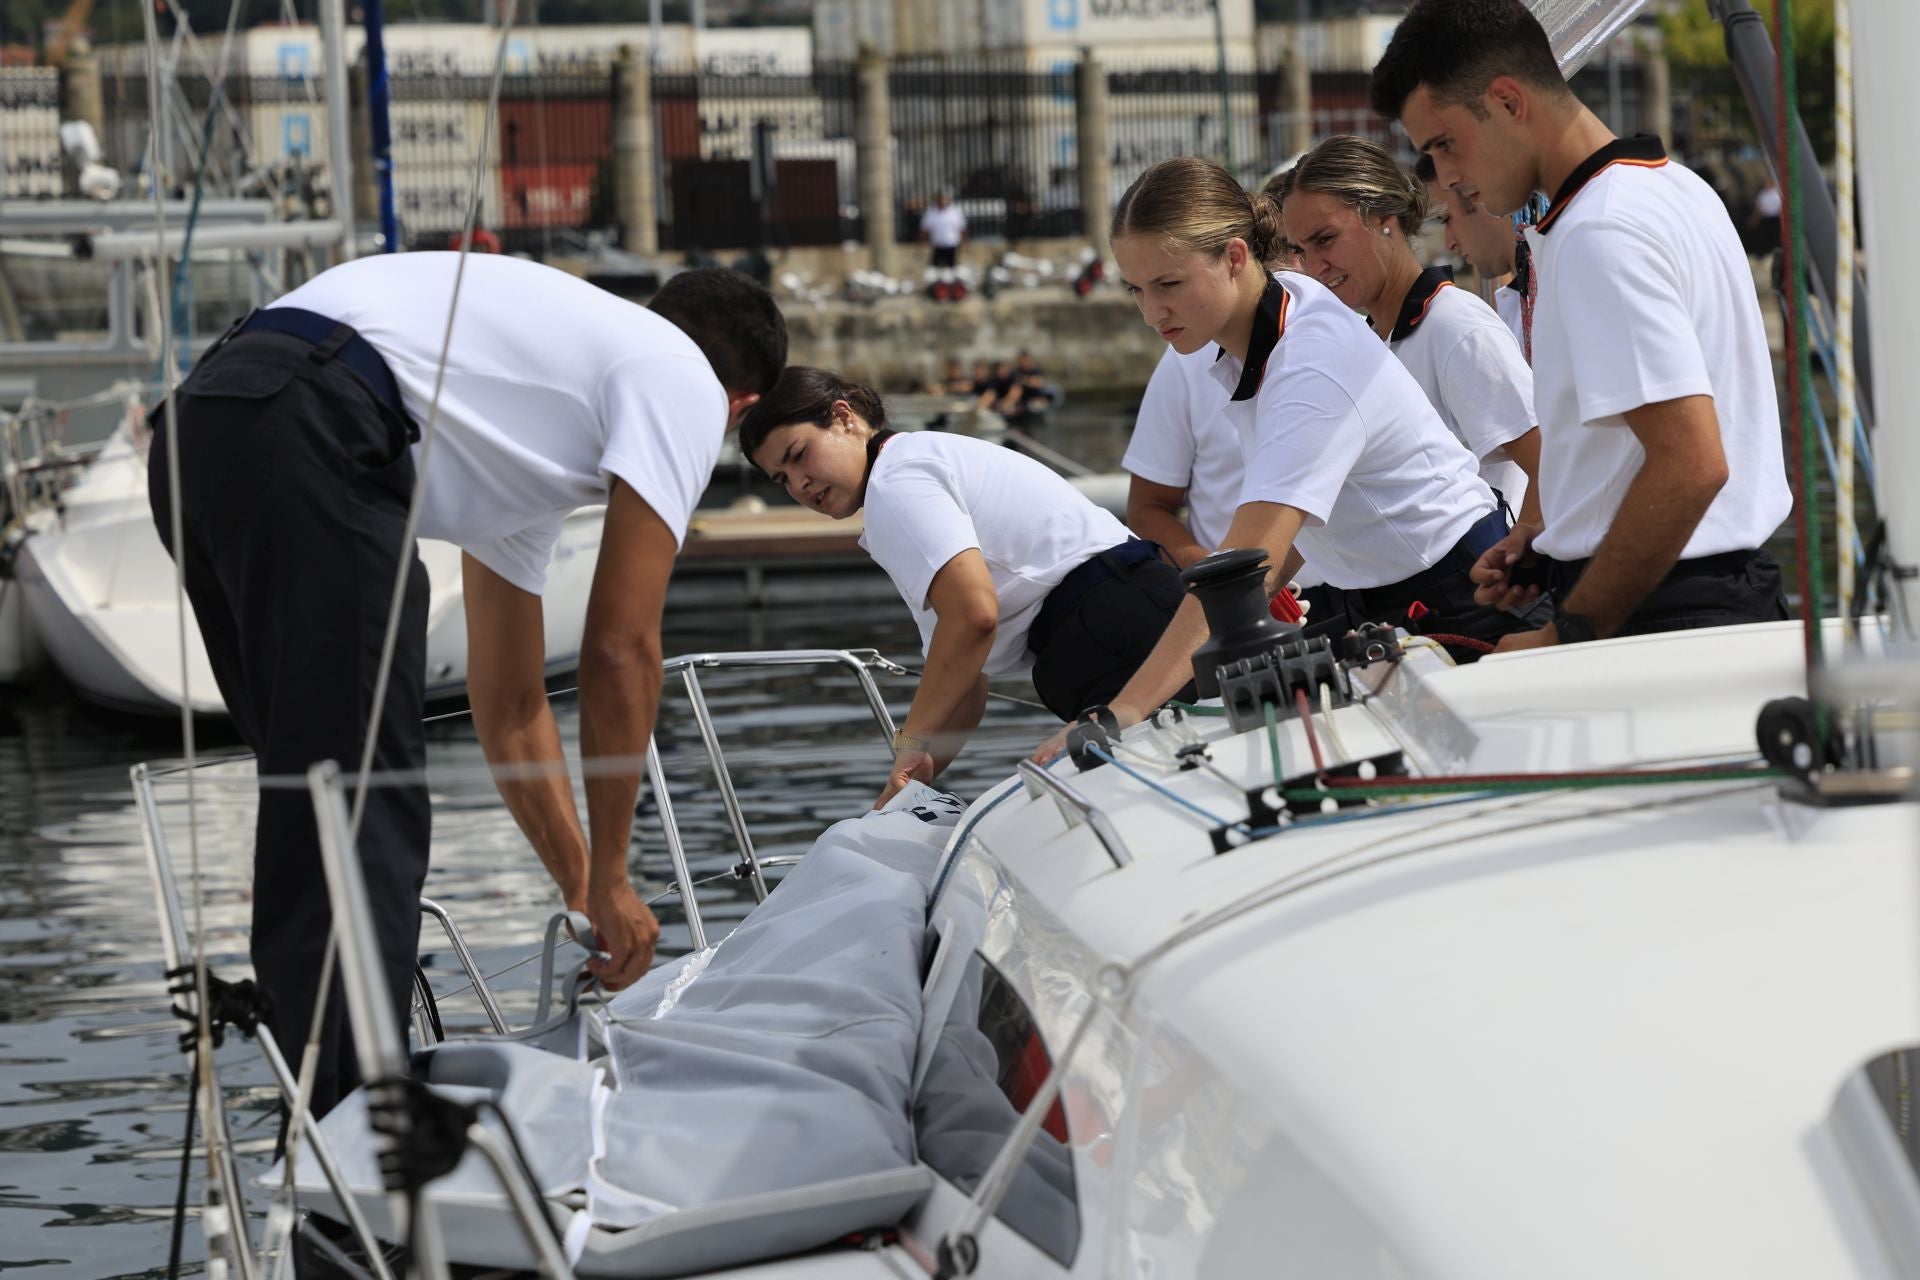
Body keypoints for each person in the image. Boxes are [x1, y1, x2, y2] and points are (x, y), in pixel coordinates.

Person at [148, 255, 786, 1122]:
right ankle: (360, 1123)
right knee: (364, 800)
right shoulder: (678, 375)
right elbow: (621, 648)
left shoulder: (534, 443)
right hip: (316, 422)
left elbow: (513, 706)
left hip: (205, 424)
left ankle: (323, 1107)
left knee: (319, 798)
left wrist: (582, 886)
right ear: (739, 405)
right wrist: (615, 876)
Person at [1034, 158, 1524, 759]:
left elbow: (1249, 566)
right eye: (1137, 289)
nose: (1151, 313)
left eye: (1169, 285)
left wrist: (1124, 710)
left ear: (1237, 258)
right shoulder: (1277, 309)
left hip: (1459, 598)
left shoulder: (1309, 361)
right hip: (1375, 601)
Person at [1372, 0, 1792, 646]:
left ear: (1510, 102)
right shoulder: (1676, 189)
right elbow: (1658, 453)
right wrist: (1555, 538)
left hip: (1665, 619)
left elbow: (1691, 466)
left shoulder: (1601, 232)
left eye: (1445, 144)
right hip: (1709, 596)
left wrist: (1565, 630)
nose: (1446, 176)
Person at [739, 367, 1185, 799]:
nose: (799, 484)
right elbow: (964, 682)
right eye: (782, 480)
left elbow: (973, 617)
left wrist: (910, 743)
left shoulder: (896, 482)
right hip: (1132, 621)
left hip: (1118, 631)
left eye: (799, 456)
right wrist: (905, 782)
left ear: (844, 418)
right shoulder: (911, 463)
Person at [1276, 135, 1542, 527]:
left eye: (1326, 240)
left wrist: (1516, 561)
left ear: (1384, 220)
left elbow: (1548, 465)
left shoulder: (1454, 326)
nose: (1315, 267)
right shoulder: (1368, 342)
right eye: (1301, 249)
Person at [1419, 152, 1534, 359]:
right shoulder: (1520, 303)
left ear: (1479, 197)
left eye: (1447, 219)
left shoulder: (1563, 290)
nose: (1449, 243)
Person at [920, 190, 968, 270]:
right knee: (935, 269)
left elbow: (962, 229)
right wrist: (921, 243)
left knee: (952, 269)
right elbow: (925, 229)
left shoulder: (955, 212)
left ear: (948, 200)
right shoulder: (931, 212)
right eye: (940, 199)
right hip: (938, 246)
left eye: (944, 199)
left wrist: (966, 244)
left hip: (951, 245)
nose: (942, 201)